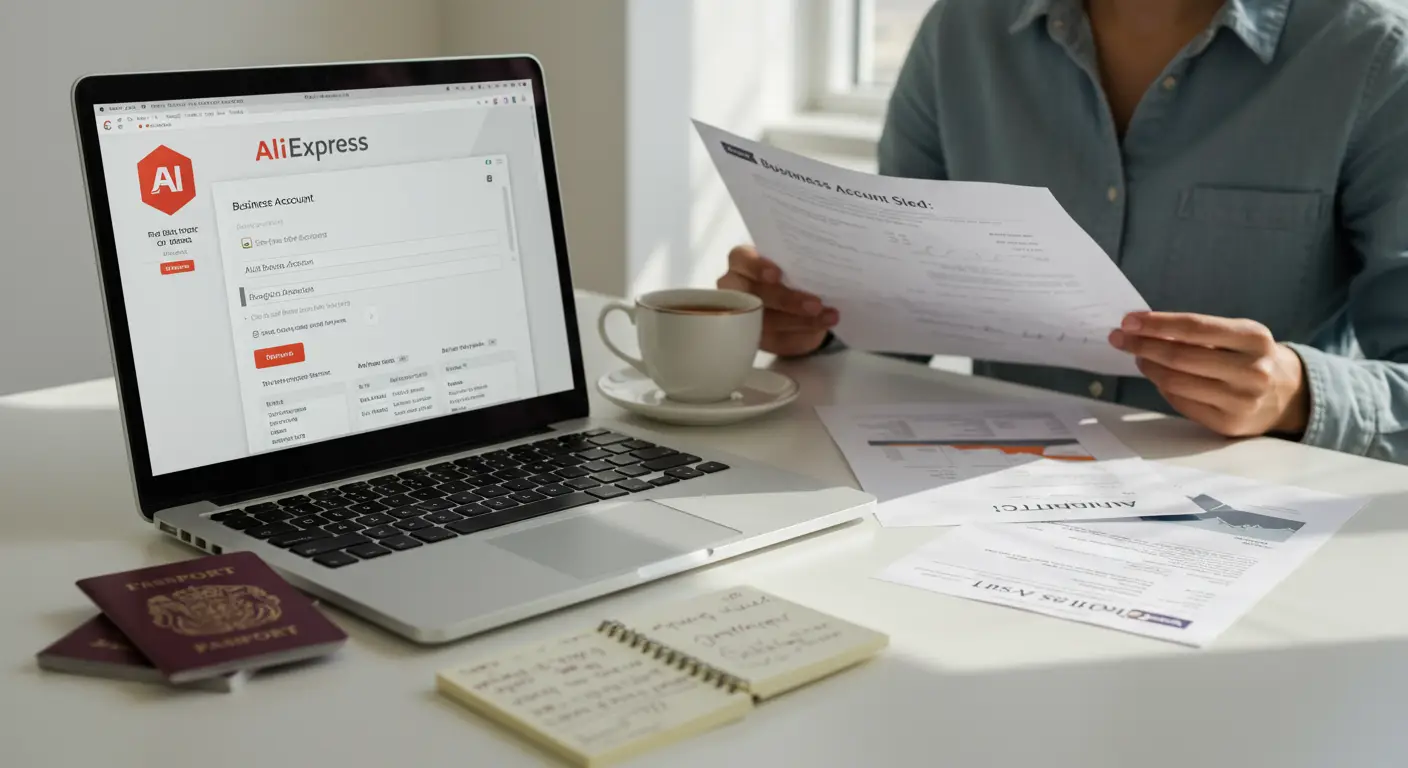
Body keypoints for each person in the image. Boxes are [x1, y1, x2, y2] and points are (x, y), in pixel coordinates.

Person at [718, 0, 1408, 463]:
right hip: (981, 494)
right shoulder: (963, 30)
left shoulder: (1373, 56)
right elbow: (898, 302)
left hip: (1245, 517)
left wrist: (1295, 395)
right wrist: (814, 322)